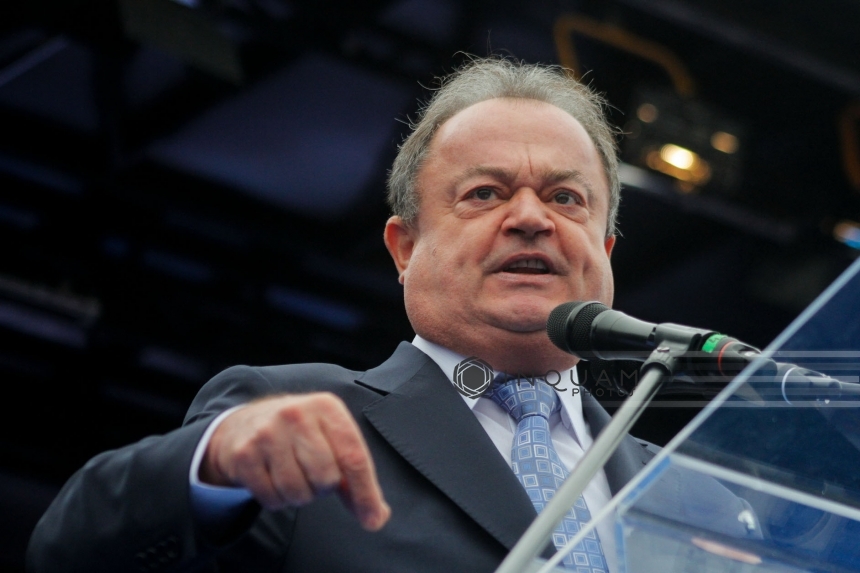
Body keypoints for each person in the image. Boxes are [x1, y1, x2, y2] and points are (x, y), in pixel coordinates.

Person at [27, 57, 758, 573]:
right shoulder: (292, 414)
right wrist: (208, 467)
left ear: (605, 251)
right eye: (484, 193)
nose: (532, 218)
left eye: (566, 198)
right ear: (404, 248)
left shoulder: (696, 504)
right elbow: (70, 554)